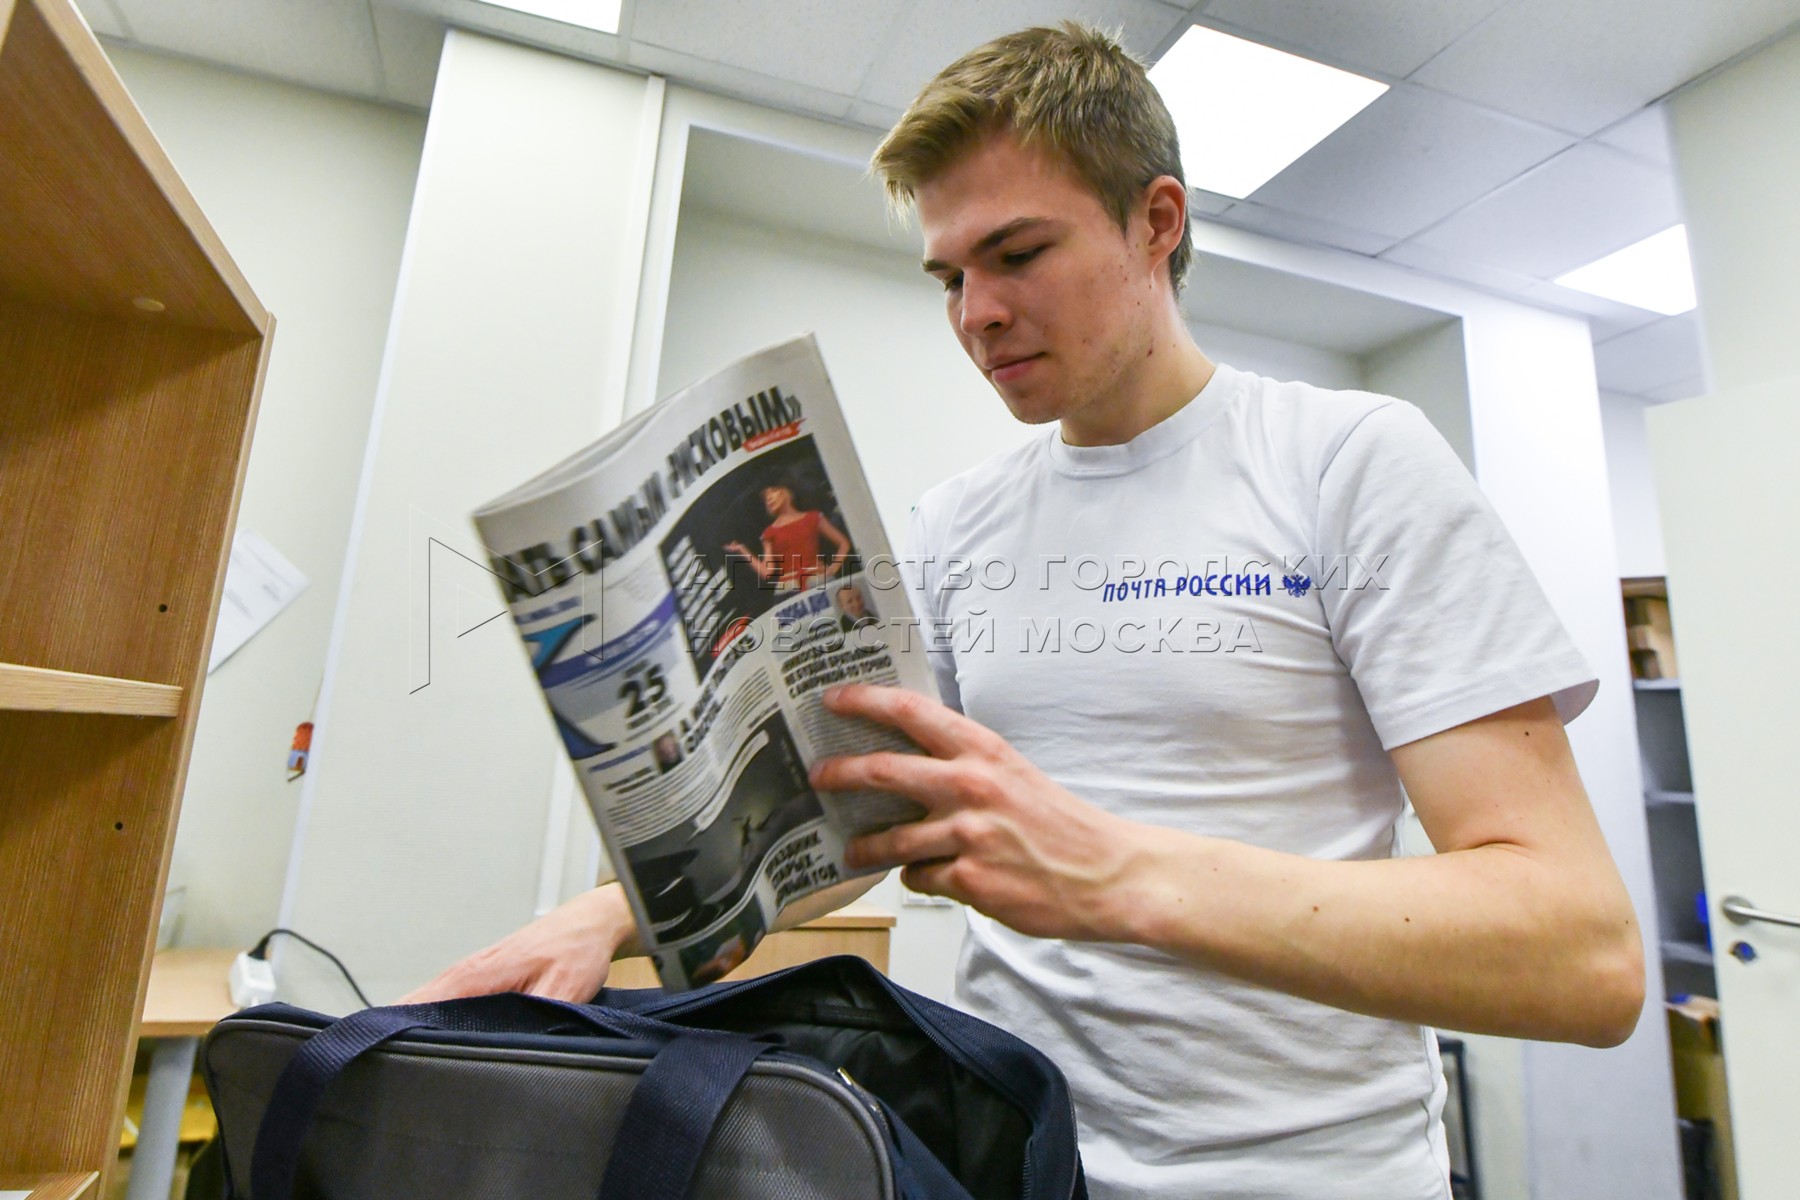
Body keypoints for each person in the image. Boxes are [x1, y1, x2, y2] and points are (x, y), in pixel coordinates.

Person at [405, 23, 1644, 1199]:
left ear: (1156, 221)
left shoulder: (1348, 461)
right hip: (1010, 1149)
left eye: (1017, 254)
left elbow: (1580, 954)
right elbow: (863, 823)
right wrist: (600, 917)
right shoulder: (957, 524)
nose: (974, 314)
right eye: (949, 275)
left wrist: (1118, 872)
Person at [723, 482, 851, 591]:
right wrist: (742, 549)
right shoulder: (770, 532)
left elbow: (843, 543)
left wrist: (834, 567)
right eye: (765, 497)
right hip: (788, 588)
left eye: (773, 491)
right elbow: (767, 572)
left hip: (819, 580)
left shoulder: (813, 517)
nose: (769, 498)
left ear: (785, 491)